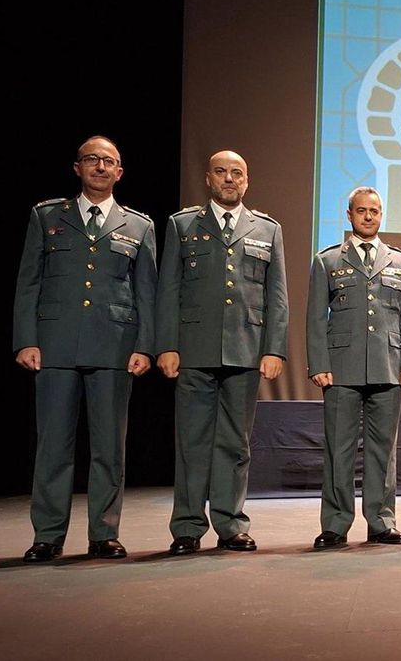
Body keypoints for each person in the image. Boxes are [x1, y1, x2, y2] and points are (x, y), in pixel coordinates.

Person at [14, 136, 157, 562]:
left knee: (109, 448)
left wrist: (146, 346)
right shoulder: (47, 216)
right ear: (77, 167)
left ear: (120, 172)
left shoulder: (139, 225)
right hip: (55, 345)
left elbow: (146, 292)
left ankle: (104, 533)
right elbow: (29, 282)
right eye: (92, 159)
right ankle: (48, 535)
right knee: (53, 445)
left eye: (108, 161)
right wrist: (26, 338)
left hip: (115, 346)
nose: (100, 166)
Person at [156, 150, 289, 555]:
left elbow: (276, 296)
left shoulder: (267, 229)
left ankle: (231, 525)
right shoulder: (183, 225)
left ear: (246, 181)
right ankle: (187, 527)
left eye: (237, 173)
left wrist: (274, 350)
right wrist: (167, 345)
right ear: (209, 179)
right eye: (221, 172)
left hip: (246, 352)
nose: (229, 179)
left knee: (235, 444)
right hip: (194, 351)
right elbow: (169, 290)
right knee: (192, 443)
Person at [306, 186, 401, 549]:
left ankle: (381, 522)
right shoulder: (327, 260)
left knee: (382, 450)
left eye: (375, 210)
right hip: (341, 369)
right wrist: (319, 363)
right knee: (339, 450)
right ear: (349, 215)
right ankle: (335, 525)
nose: (369, 216)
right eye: (362, 211)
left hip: (388, 368)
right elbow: (314, 318)